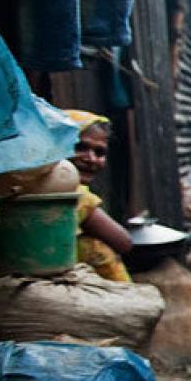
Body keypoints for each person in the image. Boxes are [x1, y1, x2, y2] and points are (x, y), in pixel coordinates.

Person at [66, 110, 132, 282]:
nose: (91, 159)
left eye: (99, 152)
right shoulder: (75, 195)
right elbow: (123, 242)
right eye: (80, 147)